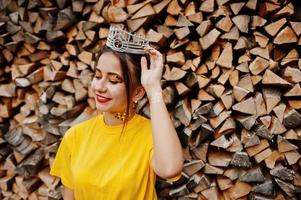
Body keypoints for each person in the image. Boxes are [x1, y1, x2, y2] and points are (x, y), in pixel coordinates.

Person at [49, 25, 184, 200]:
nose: (100, 87)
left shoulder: (151, 134)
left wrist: (154, 89)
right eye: (97, 76)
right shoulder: (75, 136)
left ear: (137, 92)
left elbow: (170, 168)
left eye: (114, 80)